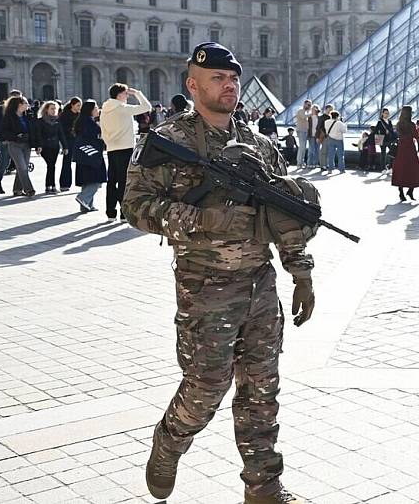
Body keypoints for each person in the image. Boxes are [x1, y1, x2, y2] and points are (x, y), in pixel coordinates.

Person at [123, 41, 314, 504]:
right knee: (206, 387)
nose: (228, 86)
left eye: (233, 79)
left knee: (261, 389)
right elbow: (135, 207)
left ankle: (264, 486)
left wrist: (300, 270)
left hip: (259, 285)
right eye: (217, 79)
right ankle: (169, 443)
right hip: (205, 288)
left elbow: (282, 213)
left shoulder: (260, 145)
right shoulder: (167, 144)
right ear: (193, 85)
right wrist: (203, 220)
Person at [99, 83, 153, 221]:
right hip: (126, 148)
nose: (127, 96)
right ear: (119, 95)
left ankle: (110, 212)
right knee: (124, 181)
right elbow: (147, 107)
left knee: (112, 181)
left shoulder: (104, 110)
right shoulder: (122, 109)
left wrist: (108, 142)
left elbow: (103, 130)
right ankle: (124, 213)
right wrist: (137, 93)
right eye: (125, 94)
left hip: (111, 148)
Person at [0, 96, 35, 197]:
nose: (27, 105)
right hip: (15, 144)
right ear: (19, 105)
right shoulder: (9, 116)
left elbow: (33, 129)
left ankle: (17, 189)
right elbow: (3, 132)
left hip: (27, 144)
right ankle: (29, 189)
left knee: (23, 167)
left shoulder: (28, 115)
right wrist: (16, 136)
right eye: (26, 103)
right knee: (22, 167)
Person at [73, 100, 105, 212]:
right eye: (96, 108)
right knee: (96, 179)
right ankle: (83, 198)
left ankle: (86, 205)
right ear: (90, 110)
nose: (98, 110)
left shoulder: (82, 120)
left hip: (84, 154)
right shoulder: (89, 122)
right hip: (91, 153)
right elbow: (92, 138)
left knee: (87, 179)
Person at [391, 105, 419, 202]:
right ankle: (410, 190)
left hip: (400, 149)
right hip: (410, 149)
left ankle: (401, 192)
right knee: (414, 170)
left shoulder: (399, 124)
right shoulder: (411, 125)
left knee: (401, 170)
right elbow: (416, 137)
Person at [33, 101, 63, 194]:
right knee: (50, 165)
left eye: (55, 109)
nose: (54, 111)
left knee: (52, 166)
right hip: (45, 147)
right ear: (46, 110)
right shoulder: (40, 121)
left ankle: (50, 186)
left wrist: (65, 147)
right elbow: (38, 134)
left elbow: (61, 135)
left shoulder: (57, 121)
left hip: (55, 146)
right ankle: (50, 185)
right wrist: (38, 146)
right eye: (52, 109)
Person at [58, 97, 81, 192]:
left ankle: (81, 182)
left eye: (80, 105)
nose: (79, 107)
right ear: (72, 105)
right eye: (78, 105)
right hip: (68, 140)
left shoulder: (80, 115)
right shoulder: (65, 115)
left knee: (81, 162)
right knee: (67, 162)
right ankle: (64, 184)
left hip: (78, 141)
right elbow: (61, 129)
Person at [293, 100, 313, 167]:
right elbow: (304, 117)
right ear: (304, 104)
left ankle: (301, 161)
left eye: (310, 105)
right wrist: (312, 113)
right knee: (302, 147)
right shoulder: (301, 110)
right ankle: (299, 162)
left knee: (303, 147)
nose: (309, 106)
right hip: (301, 131)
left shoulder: (306, 112)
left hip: (304, 131)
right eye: (308, 105)